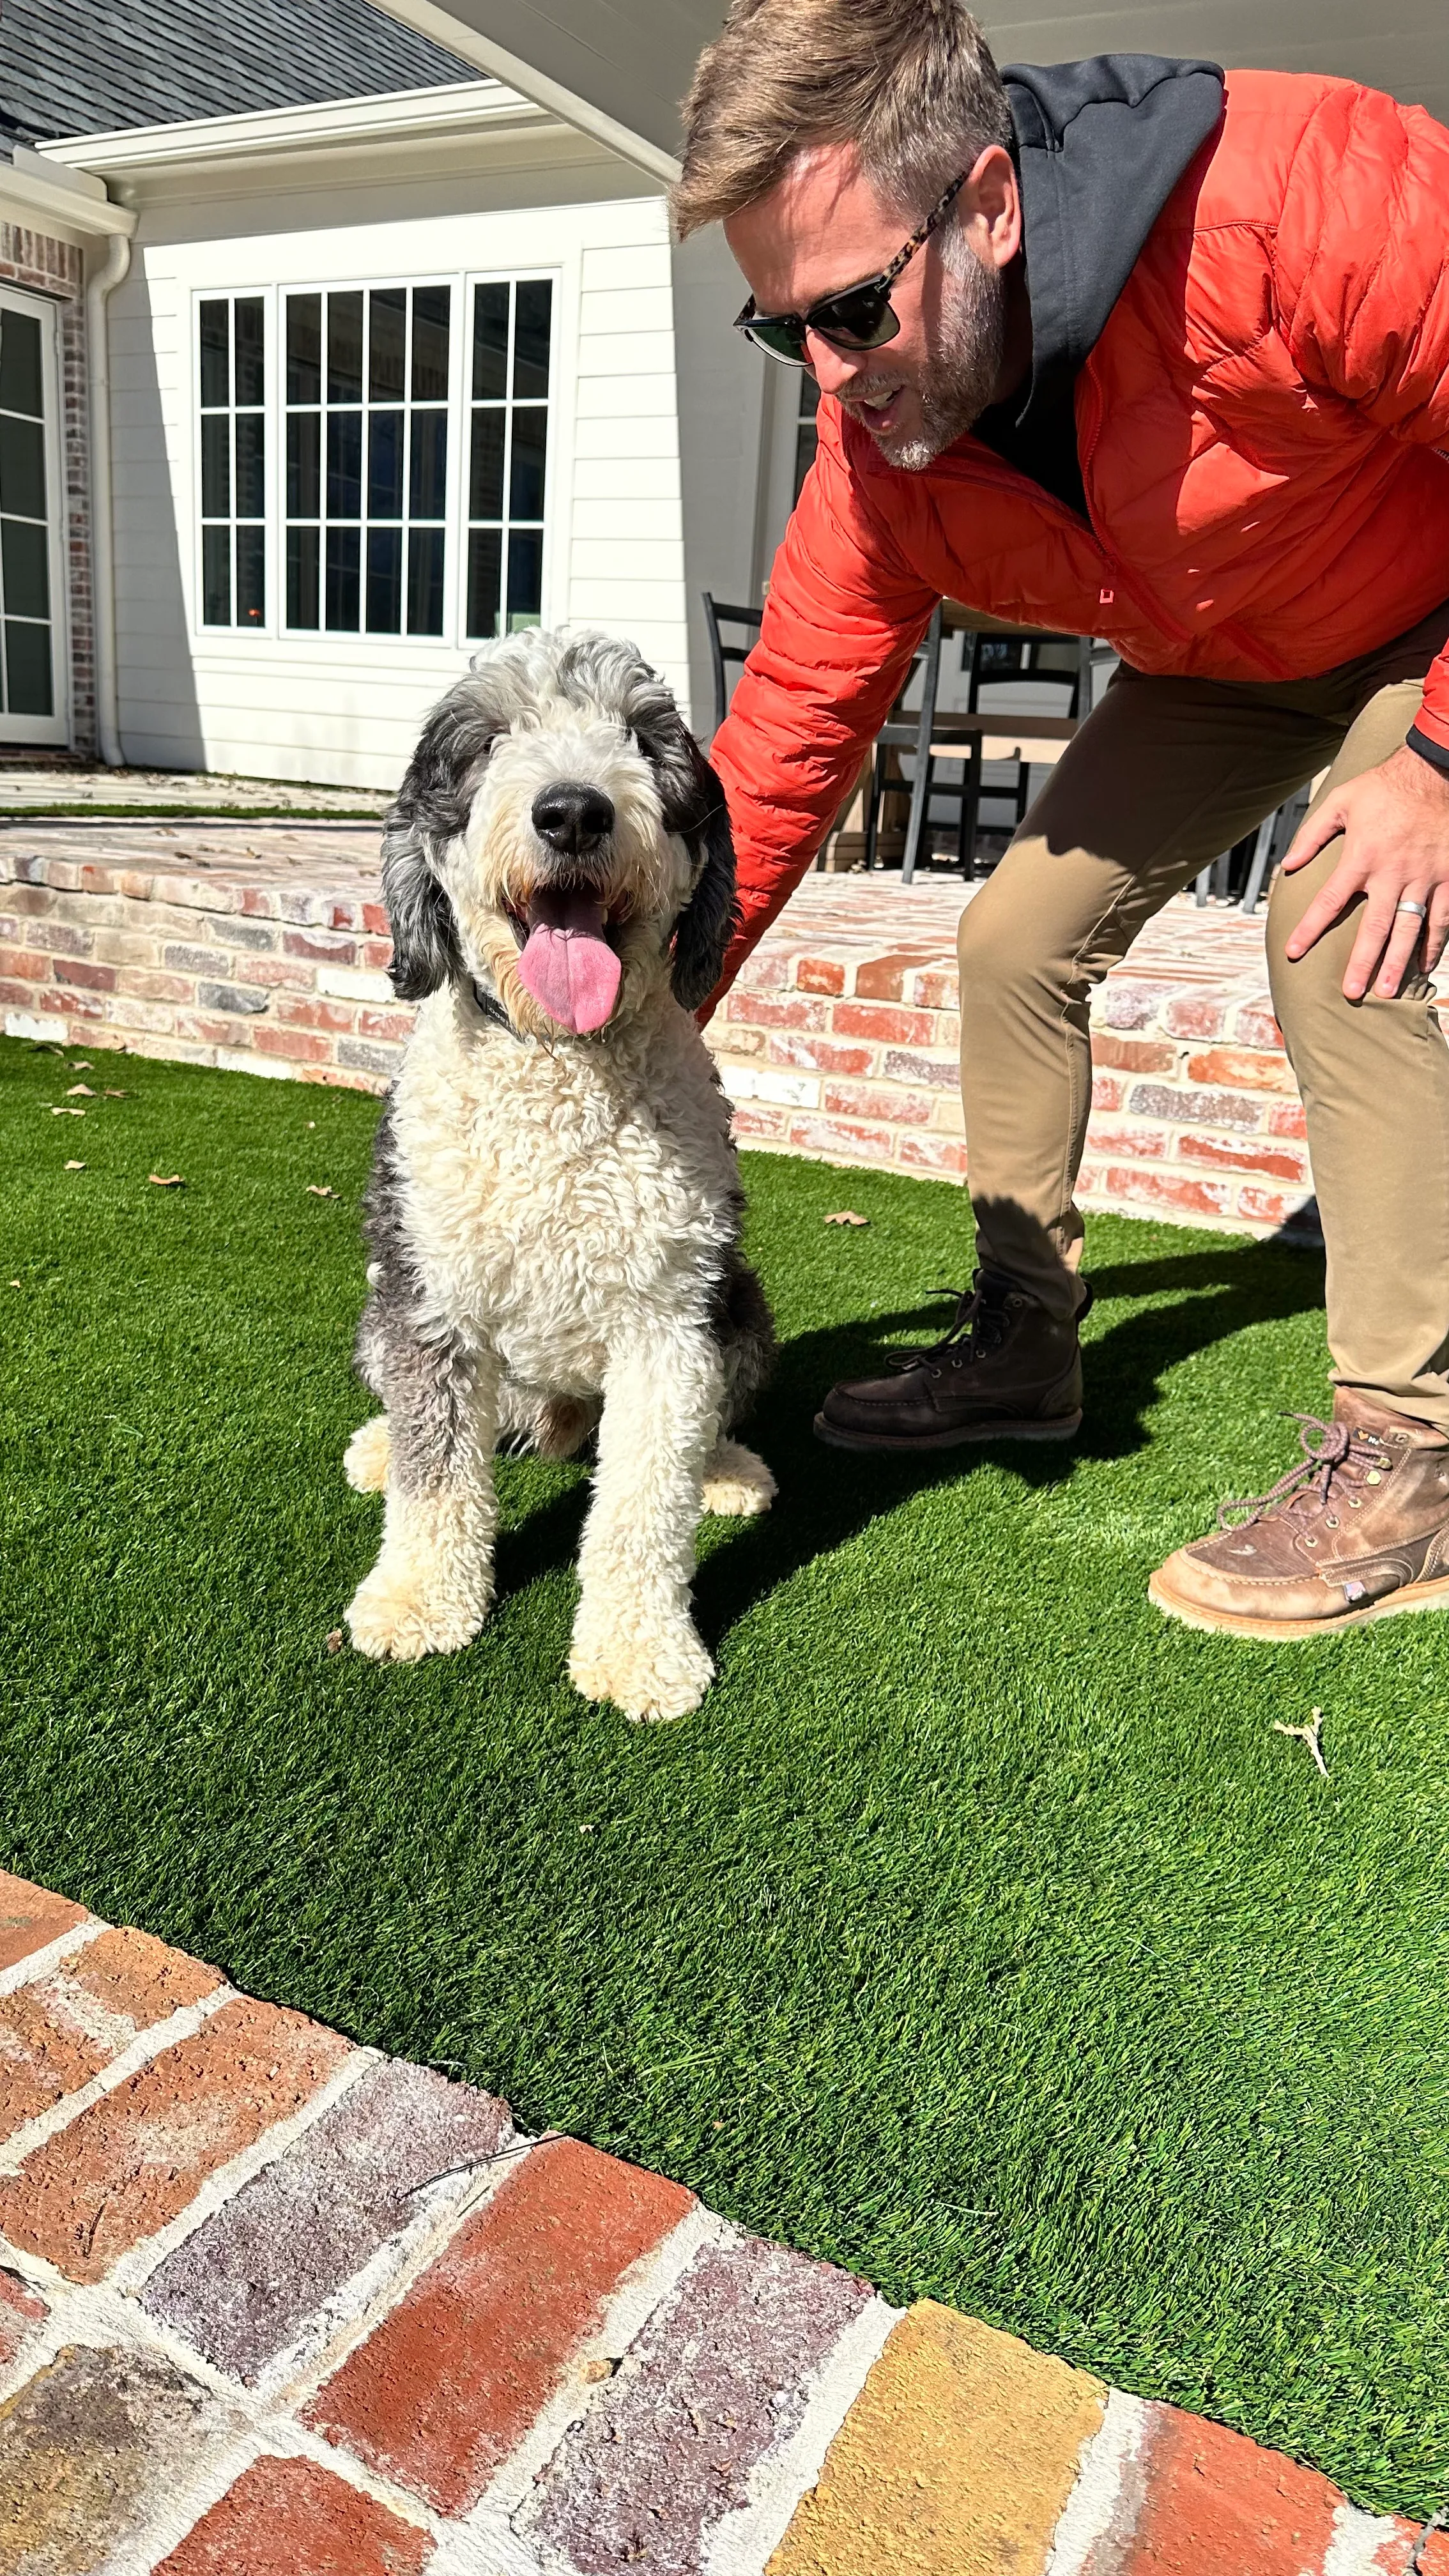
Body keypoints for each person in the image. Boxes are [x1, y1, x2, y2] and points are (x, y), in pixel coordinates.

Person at [673, 0, 1449, 1639]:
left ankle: (1415, 1454)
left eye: (856, 309)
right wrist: (655, 1014)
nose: (828, 371)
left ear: (990, 206)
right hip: (1233, 657)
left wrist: (1437, 765)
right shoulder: (879, 448)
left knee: (1334, 929)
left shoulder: (1298, 191)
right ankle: (1027, 1346)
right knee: (1011, 934)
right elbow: (789, 738)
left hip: (1430, 621)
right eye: (780, 329)